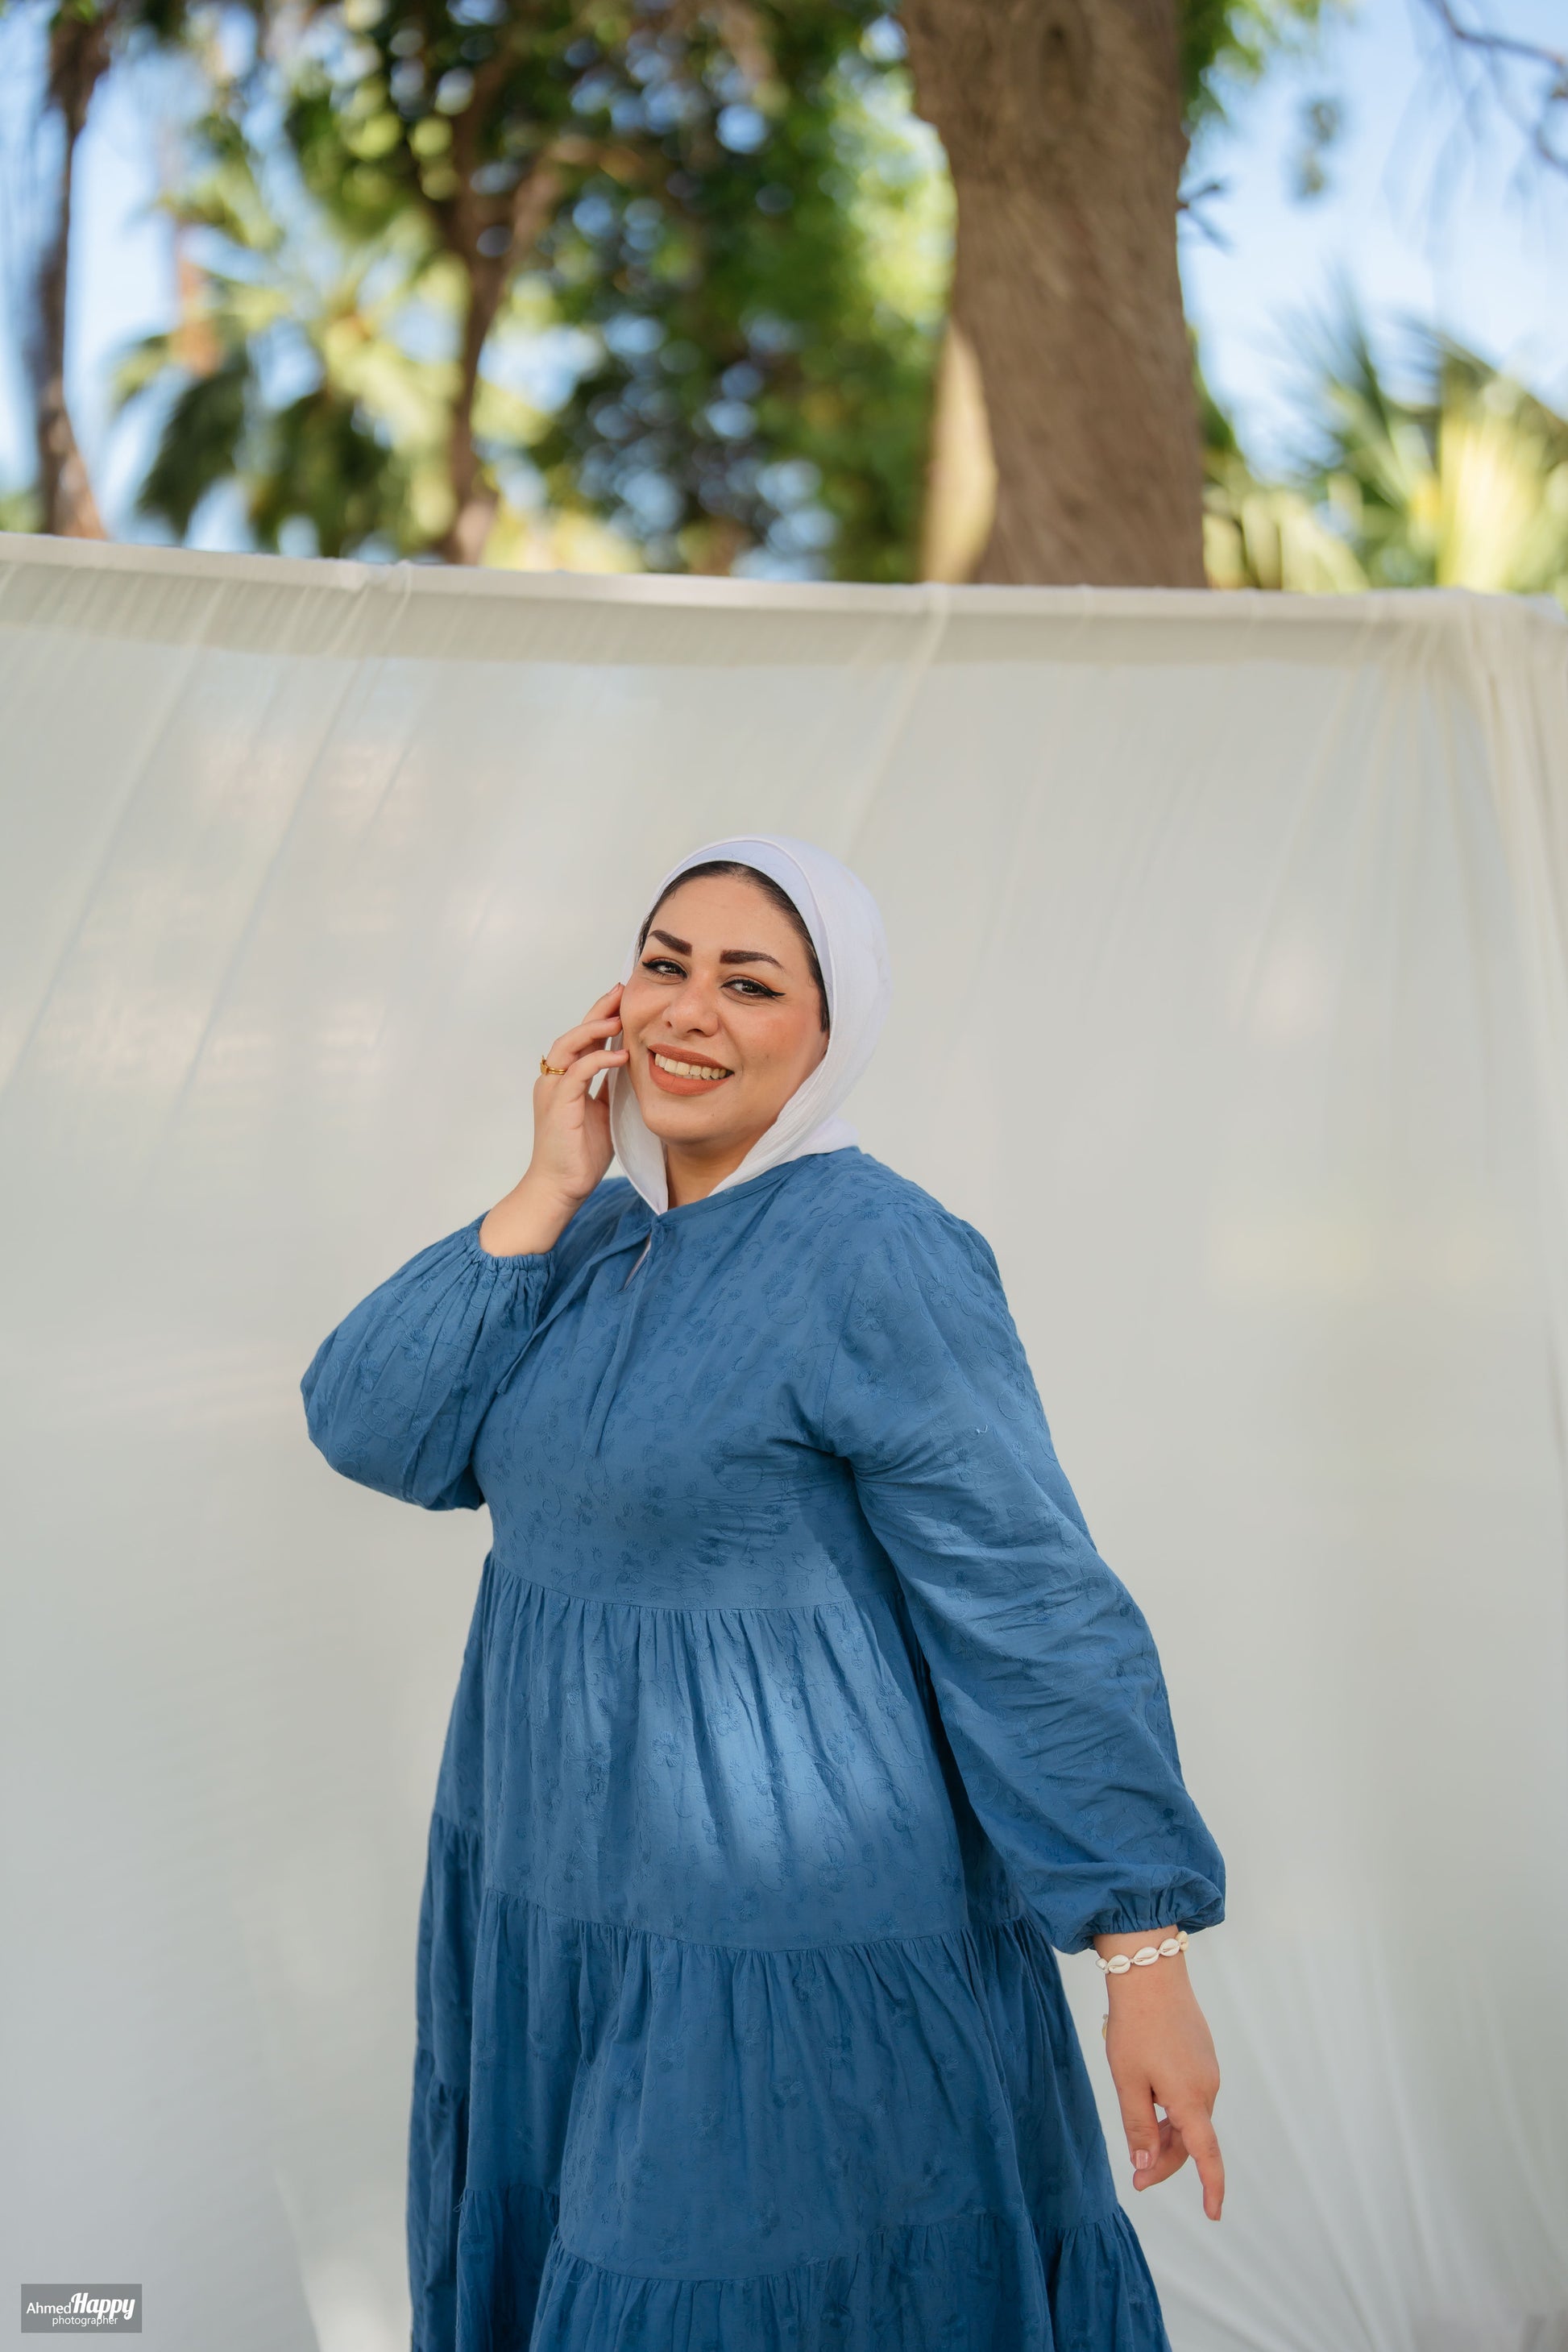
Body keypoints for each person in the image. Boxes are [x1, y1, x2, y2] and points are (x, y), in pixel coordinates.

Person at [300, 832, 1226, 2352]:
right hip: (552, 1901)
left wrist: (1142, 1959)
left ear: (829, 1030)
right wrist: (547, 1175)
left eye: (749, 983)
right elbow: (371, 1428)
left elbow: (1028, 1600)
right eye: (664, 964)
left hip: (777, 1939)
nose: (687, 1012)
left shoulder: (883, 1254)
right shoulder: (589, 1241)